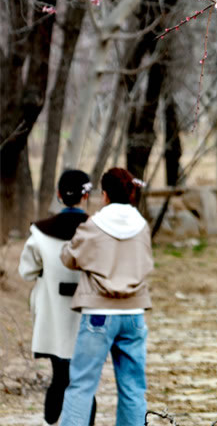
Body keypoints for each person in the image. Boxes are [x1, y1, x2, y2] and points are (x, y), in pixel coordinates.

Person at [59, 168, 154, 426]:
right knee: (133, 388)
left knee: (82, 386)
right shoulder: (142, 226)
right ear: (131, 192)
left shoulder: (94, 225)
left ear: (104, 195)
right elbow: (147, 263)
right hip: (134, 314)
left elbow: (69, 258)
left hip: (98, 315)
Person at [18, 170, 96, 426]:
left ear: (59, 195)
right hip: (87, 315)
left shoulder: (40, 232)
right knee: (84, 380)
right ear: (86, 195)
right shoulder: (96, 229)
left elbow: (26, 271)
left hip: (53, 313)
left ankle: (51, 420)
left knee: (60, 375)